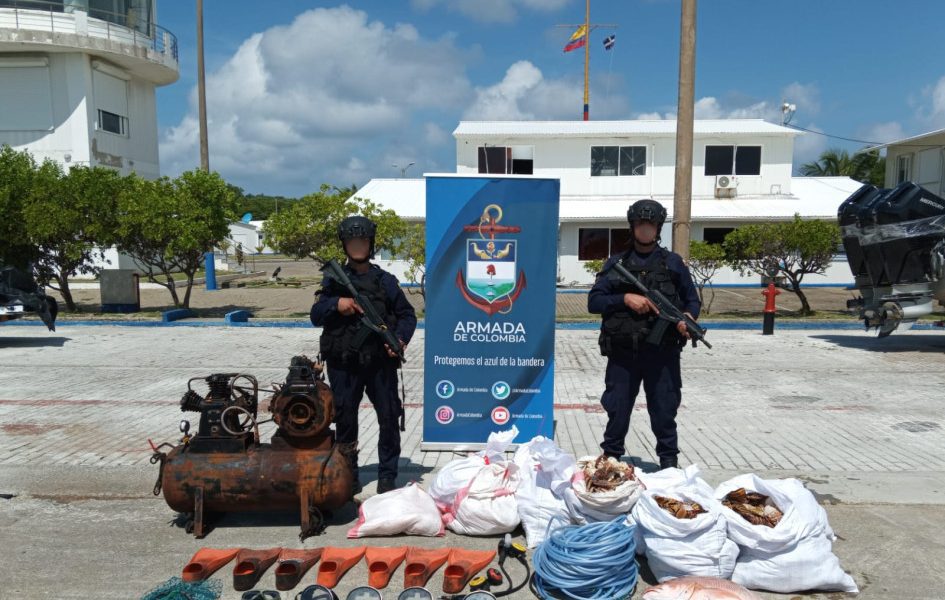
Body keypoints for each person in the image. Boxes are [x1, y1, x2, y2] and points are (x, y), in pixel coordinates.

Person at [587, 199, 702, 469]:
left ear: (658, 227)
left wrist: (688, 317)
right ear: (633, 226)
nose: (646, 229)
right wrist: (625, 298)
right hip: (623, 353)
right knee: (617, 408)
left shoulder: (673, 264)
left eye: (651, 224)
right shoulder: (616, 263)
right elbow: (594, 302)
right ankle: (611, 458)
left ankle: (669, 462)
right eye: (641, 224)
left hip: (662, 353)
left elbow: (692, 300)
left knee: (664, 408)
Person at [310, 215, 417, 495]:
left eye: (362, 241)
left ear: (370, 244)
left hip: (380, 365)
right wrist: (337, 304)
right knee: (345, 419)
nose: (358, 246)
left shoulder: (386, 282)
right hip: (344, 365)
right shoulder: (333, 283)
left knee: (389, 417)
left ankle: (387, 475)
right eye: (352, 241)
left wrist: (401, 339)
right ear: (345, 245)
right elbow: (316, 315)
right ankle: (349, 473)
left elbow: (407, 315)